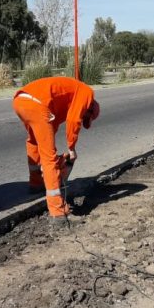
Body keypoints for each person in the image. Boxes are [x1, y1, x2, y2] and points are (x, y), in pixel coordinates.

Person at [12, 76, 100, 223]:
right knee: (49, 157)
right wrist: (71, 148)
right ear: (89, 109)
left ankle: (36, 183)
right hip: (36, 104)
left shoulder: (69, 99)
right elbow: (74, 120)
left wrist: (62, 162)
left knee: (34, 142)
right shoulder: (87, 93)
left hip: (20, 101)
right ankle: (57, 212)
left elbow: (52, 126)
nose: (83, 118)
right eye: (86, 117)